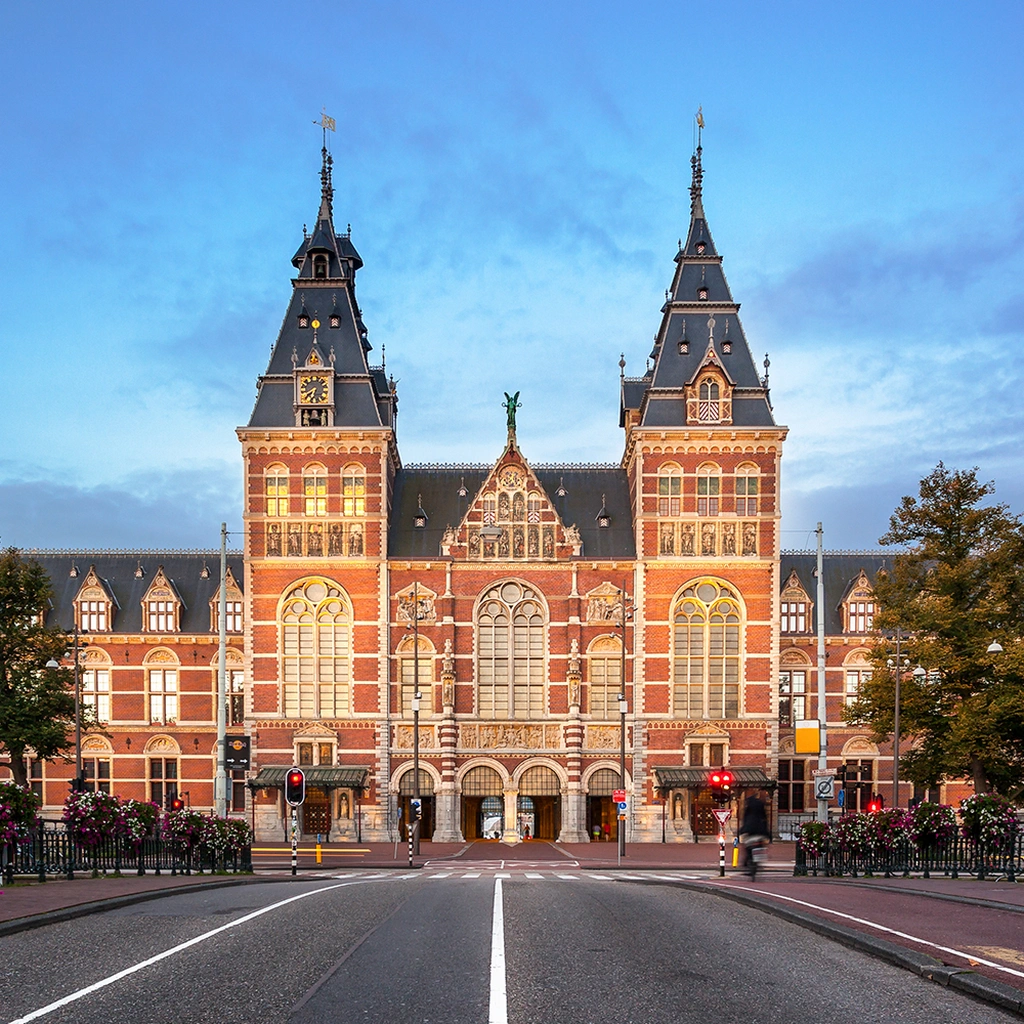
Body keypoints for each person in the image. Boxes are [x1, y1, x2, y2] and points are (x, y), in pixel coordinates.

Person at [738, 793, 770, 879]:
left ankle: (747, 864)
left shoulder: (748, 809)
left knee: (747, 848)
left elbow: (745, 821)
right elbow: (765, 819)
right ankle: (758, 863)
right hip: (761, 832)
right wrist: (767, 834)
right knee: (761, 845)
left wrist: (741, 831)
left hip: (750, 832)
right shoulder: (761, 808)